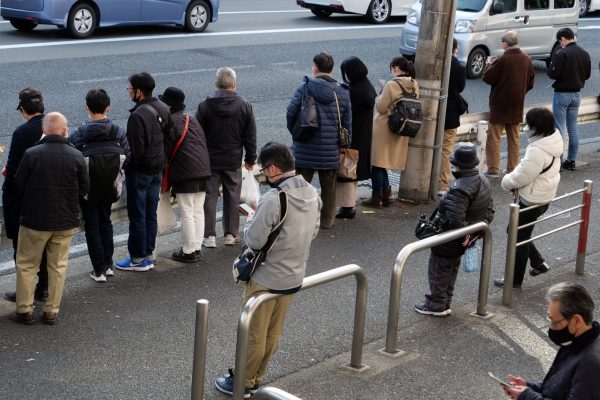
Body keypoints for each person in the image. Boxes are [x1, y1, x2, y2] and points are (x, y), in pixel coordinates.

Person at [214, 142, 321, 398]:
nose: (264, 176)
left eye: (264, 171)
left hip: (266, 276)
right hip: (294, 274)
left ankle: (243, 381)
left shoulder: (275, 198)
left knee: (253, 332)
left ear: (274, 169)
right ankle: (257, 376)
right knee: (273, 332)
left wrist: (251, 217)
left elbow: (254, 240)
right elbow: (313, 232)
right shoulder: (311, 193)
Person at [9, 112, 89, 325]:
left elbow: (18, 184)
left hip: (34, 220)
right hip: (64, 221)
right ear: (65, 131)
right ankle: (51, 311)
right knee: (58, 266)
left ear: (44, 130)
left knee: (27, 264)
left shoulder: (31, 154)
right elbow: (84, 188)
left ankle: (24, 310)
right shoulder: (76, 156)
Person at [415, 143, 494, 316]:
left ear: (457, 164)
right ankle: (445, 302)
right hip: (467, 237)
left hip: (449, 238)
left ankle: (435, 305)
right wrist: (473, 233)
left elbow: (455, 220)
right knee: (450, 270)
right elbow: (490, 211)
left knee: (439, 270)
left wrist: (464, 233)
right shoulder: (483, 180)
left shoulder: (459, 188)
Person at [494, 108, 562, 289]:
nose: (527, 127)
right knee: (519, 232)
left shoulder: (538, 150)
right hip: (543, 196)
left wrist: (506, 182)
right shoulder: (553, 139)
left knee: (517, 236)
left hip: (532, 199)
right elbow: (527, 170)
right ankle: (539, 263)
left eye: (529, 123)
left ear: (536, 126)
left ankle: (514, 281)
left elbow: (522, 176)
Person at [499, 282, 600, 399]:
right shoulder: (575, 342)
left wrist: (526, 396)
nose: (551, 327)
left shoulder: (590, 363)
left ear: (577, 321)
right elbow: (559, 387)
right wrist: (528, 387)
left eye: (554, 321)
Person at [70, 88, 130, 283]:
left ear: (87, 107)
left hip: (87, 189)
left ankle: (99, 270)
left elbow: (73, 160)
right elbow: (127, 157)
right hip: (111, 186)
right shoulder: (117, 131)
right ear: (108, 108)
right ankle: (108, 264)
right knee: (106, 222)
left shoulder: (79, 133)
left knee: (92, 226)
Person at [286, 52, 352, 228]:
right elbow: (346, 122)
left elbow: (291, 114)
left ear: (315, 67)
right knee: (329, 189)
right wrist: (344, 144)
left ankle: (301, 222)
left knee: (301, 188)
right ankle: (326, 221)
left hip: (304, 146)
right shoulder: (342, 92)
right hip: (330, 149)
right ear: (332, 69)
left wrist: (296, 135)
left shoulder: (304, 88)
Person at [116, 72, 172, 272]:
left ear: (138, 91)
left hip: (140, 173)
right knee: (150, 214)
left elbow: (135, 151)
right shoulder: (163, 108)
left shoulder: (137, 116)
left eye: (130, 88)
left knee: (138, 215)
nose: (129, 91)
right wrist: (162, 161)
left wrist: (125, 166)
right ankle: (149, 255)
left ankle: (137, 259)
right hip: (157, 170)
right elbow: (169, 139)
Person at [196, 67, 257, 248]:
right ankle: (231, 234)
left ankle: (209, 236)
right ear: (234, 84)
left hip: (210, 159)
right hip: (232, 159)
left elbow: (197, 134)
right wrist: (251, 158)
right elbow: (250, 135)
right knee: (232, 195)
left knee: (210, 196)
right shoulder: (245, 106)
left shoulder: (205, 106)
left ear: (216, 84)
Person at [3, 87, 49, 303]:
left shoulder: (22, 133)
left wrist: (9, 200)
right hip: (51, 198)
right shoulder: (54, 126)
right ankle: (45, 289)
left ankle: (25, 295)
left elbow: (12, 172)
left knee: (23, 254)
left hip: (26, 202)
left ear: (23, 109)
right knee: (48, 250)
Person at [160, 87, 211, 263]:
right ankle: (196, 247)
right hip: (203, 170)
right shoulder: (191, 119)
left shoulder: (171, 122)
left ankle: (188, 251)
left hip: (185, 172)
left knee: (187, 212)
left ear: (168, 105)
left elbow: (165, 150)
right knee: (198, 211)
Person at [362, 56, 417, 208]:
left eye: (392, 68)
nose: (392, 71)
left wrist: (381, 94)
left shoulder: (392, 85)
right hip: (401, 127)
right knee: (383, 162)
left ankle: (376, 197)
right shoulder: (414, 84)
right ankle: (387, 195)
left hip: (385, 127)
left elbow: (380, 107)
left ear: (397, 69)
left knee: (377, 163)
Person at [482, 30, 535, 178]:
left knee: (494, 138)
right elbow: (531, 83)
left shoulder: (503, 60)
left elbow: (488, 78)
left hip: (499, 105)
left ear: (505, 43)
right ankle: (512, 168)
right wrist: (520, 93)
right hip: (517, 104)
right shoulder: (526, 59)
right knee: (514, 139)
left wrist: (488, 65)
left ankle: (493, 169)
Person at [336, 56, 377, 219]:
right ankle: (348, 205)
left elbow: (345, 115)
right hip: (364, 136)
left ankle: (347, 207)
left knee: (347, 172)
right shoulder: (366, 86)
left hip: (354, 138)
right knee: (352, 172)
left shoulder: (354, 92)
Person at [547, 27, 591, 171]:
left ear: (563, 39)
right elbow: (588, 75)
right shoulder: (584, 53)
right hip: (577, 94)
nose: (561, 43)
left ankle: (558, 161)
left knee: (559, 128)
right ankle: (571, 160)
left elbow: (553, 74)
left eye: (560, 41)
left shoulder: (561, 53)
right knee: (573, 128)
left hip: (562, 94)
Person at [438, 39, 467, 196]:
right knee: (446, 149)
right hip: (450, 113)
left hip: (433, 112)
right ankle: (441, 184)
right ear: (455, 50)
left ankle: (427, 180)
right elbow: (460, 87)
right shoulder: (457, 67)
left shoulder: (436, 62)